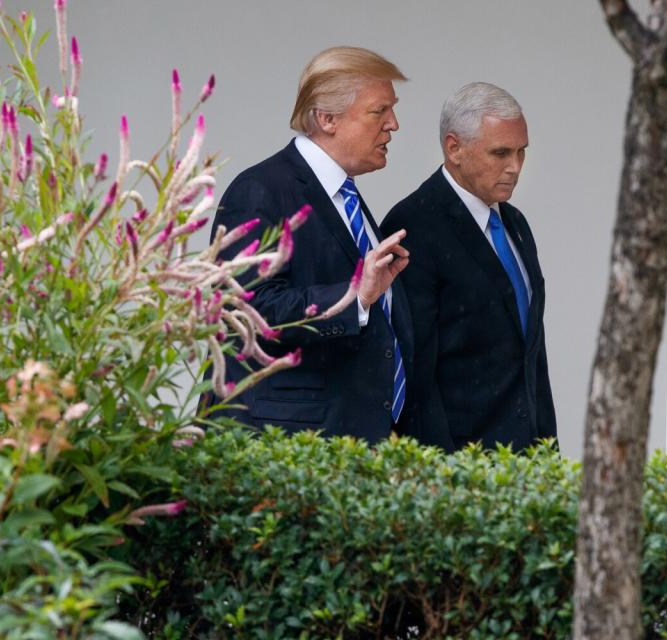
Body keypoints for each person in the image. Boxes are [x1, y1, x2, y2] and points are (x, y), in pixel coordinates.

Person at [207, 46, 414, 441]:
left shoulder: (345, 197)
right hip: (283, 449)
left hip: (347, 444)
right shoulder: (260, 190)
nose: (394, 124)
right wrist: (354, 297)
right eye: (379, 111)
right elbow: (243, 311)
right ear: (327, 118)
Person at [381, 82, 556, 452]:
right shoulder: (414, 226)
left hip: (528, 464)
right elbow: (415, 370)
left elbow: (530, 355)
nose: (515, 167)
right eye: (501, 153)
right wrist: (441, 475)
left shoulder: (515, 224)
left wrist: (547, 454)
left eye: (521, 152)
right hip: (462, 469)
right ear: (454, 147)